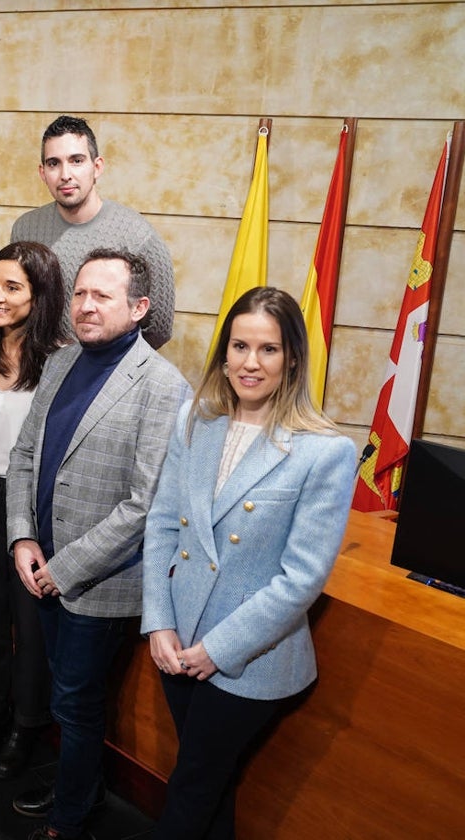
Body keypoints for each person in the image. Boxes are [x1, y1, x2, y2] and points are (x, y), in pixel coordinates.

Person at [142, 287, 356, 840]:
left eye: (268, 349)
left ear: (291, 359)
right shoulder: (197, 419)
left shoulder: (324, 451)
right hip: (178, 641)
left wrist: (218, 650)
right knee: (210, 788)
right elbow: (163, 524)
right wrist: (158, 623)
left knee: (192, 787)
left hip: (249, 658)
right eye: (240, 346)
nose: (250, 363)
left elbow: (301, 579)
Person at [6, 248, 189, 839]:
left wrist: (65, 567)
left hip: (100, 584)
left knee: (77, 706)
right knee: (66, 701)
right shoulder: (60, 364)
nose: (84, 306)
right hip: (41, 567)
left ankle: (71, 817)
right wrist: (22, 536)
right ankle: (76, 788)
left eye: (101, 296)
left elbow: (144, 505)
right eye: (80, 294)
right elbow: (24, 455)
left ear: (138, 307)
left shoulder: (163, 386)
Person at [0, 242, 66, 779]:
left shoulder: (64, 358)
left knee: (31, 621)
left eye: (13, 287)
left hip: (33, 506)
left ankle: (28, 724)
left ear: (40, 295)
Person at [10, 115, 176, 349]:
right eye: (53, 163)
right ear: (42, 172)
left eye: (76, 160)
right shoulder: (25, 229)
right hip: (37, 373)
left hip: (106, 375)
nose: (65, 174)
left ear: (97, 167)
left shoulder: (138, 236)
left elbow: (158, 328)